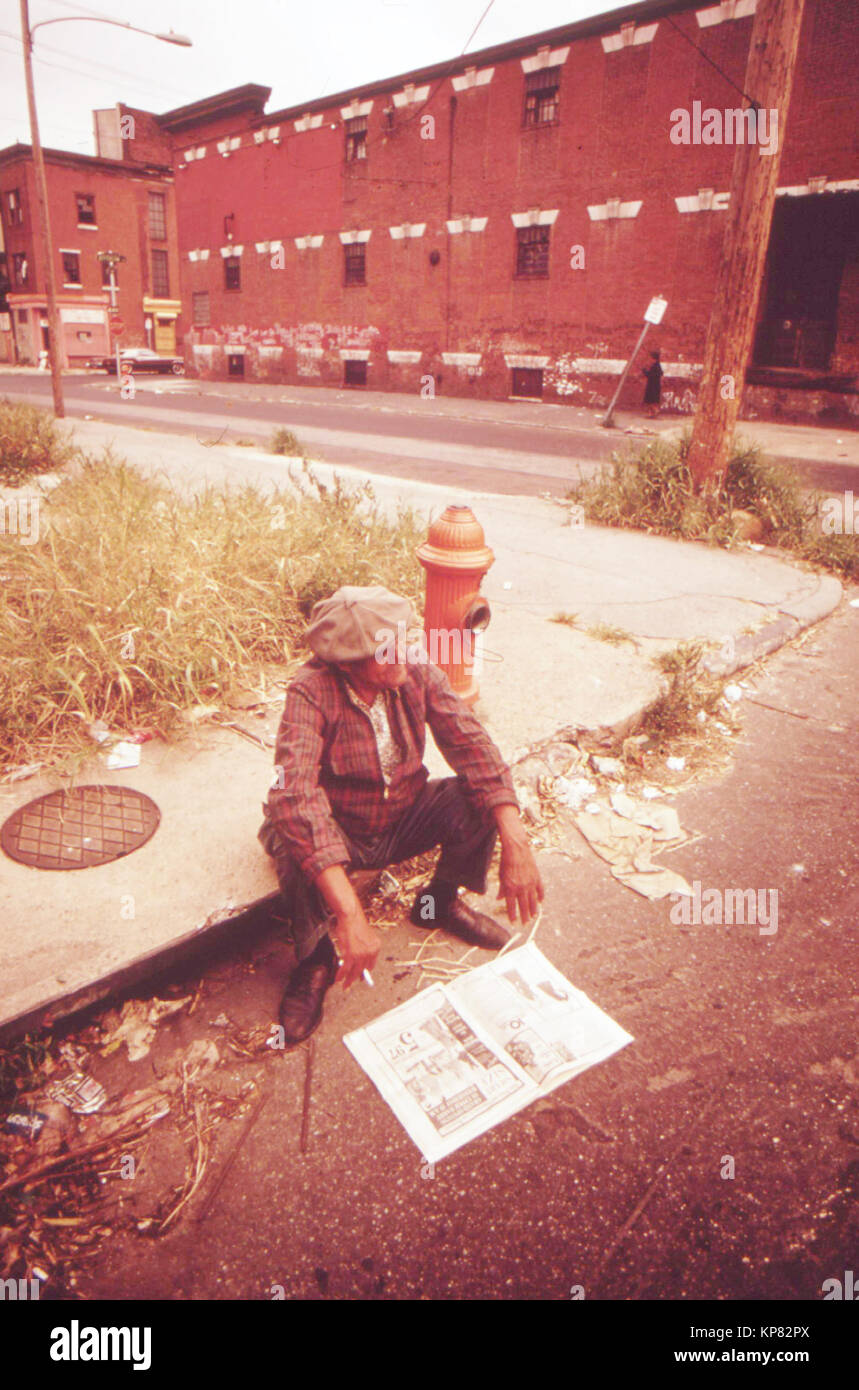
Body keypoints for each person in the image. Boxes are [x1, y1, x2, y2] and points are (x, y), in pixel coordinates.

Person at [258, 585, 544, 1046]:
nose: (401, 656)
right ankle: (315, 960)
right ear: (348, 662)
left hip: (401, 813)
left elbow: (472, 746)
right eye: (383, 651)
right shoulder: (310, 692)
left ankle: (437, 904)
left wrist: (516, 841)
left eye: (399, 640)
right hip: (342, 828)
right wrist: (350, 913)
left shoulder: (415, 672)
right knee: (295, 839)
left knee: (476, 798)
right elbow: (295, 796)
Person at [642, 348, 663, 419]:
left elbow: (650, 375)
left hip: (652, 386)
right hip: (655, 386)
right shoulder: (657, 366)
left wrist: (644, 371)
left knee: (650, 401)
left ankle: (655, 411)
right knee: (651, 401)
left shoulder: (655, 366)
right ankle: (651, 414)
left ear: (654, 358)